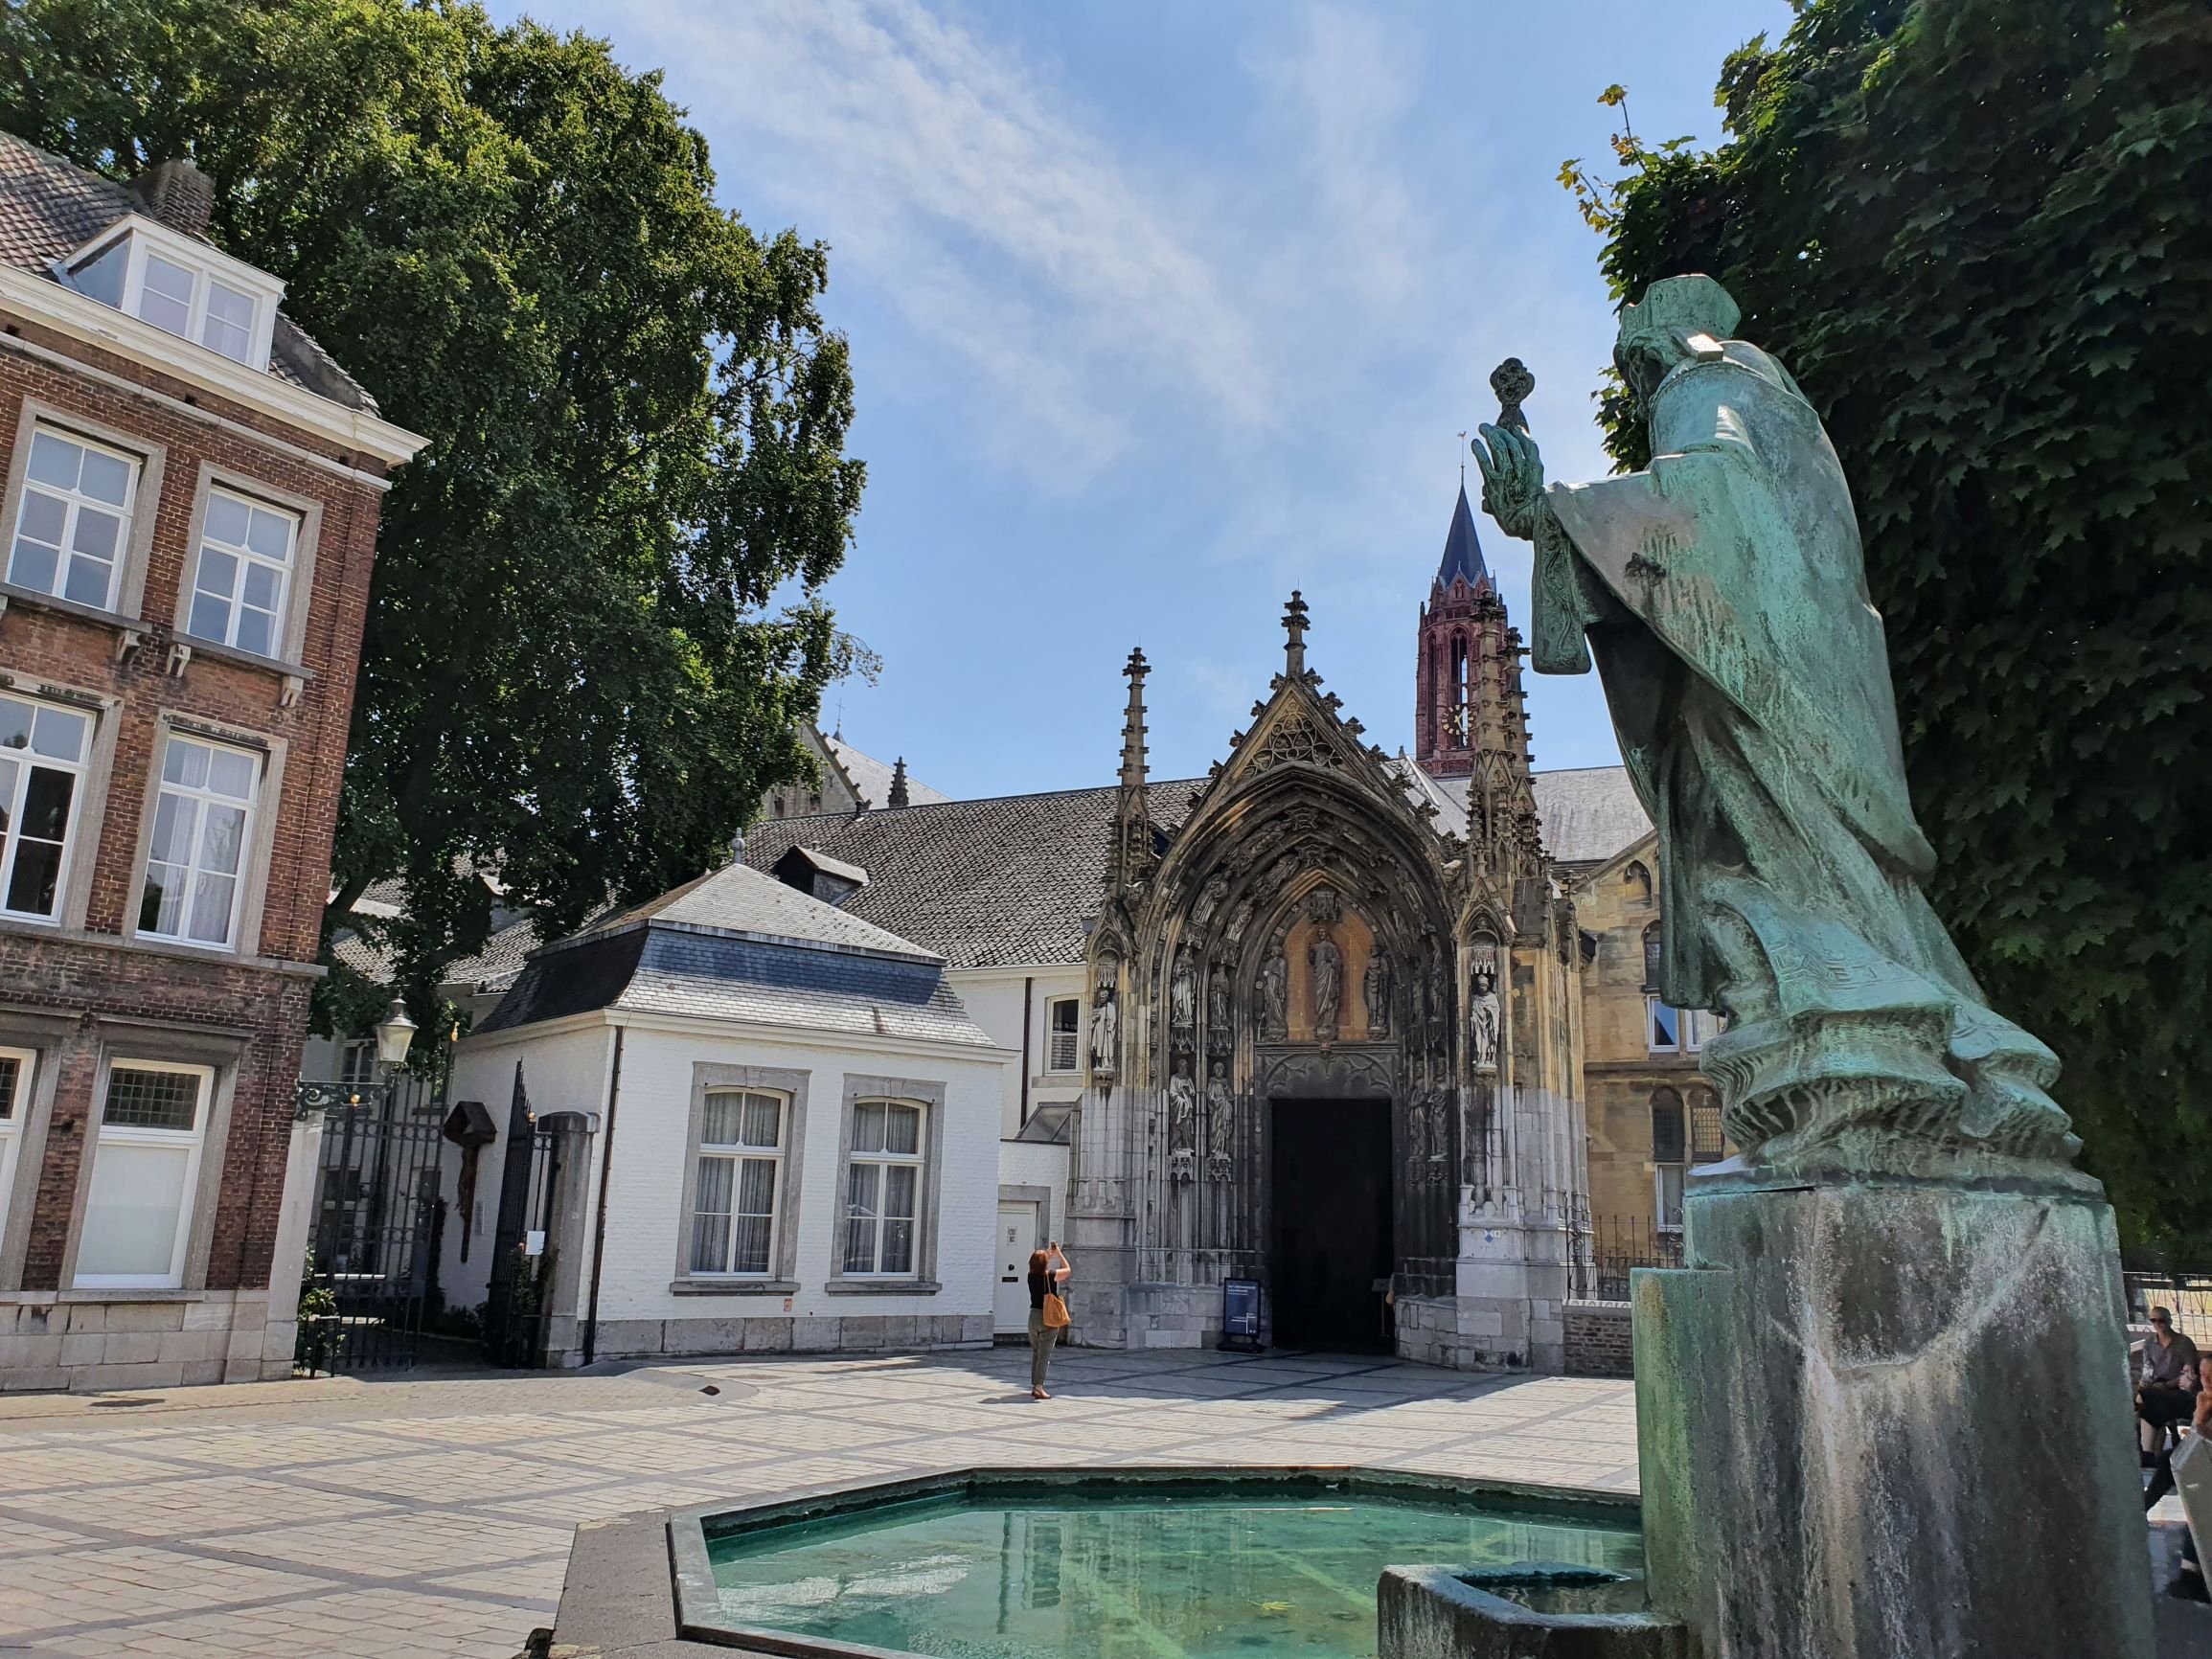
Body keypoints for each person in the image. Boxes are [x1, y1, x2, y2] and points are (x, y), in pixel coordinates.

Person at [2138, 1307, 2201, 1509]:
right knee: (2146, 1398)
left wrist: (2167, 1385)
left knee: (2154, 1399)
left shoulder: (2183, 1344)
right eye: (2153, 1321)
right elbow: (2147, 1371)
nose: (2158, 1325)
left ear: (2169, 1321)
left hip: (2177, 1389)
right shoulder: (2149, 1344)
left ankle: (2149, 1453)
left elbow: (2189, 1376)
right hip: (2159, 1389)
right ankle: (2148, 1453)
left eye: (2161, 1321)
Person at [1027, 1243, 1070, 1400]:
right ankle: (1039, 1387)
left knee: (1037, 1352)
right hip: (1048, 1317)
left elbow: (1039, 1265)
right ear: (1045, 1263)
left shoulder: (1030, 1276)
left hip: (1033, 1316)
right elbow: (1068, 1270)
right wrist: (1058, 1254)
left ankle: (1035, 1384)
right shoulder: (1051, 1275)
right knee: (1044, 1355)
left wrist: (1047, 1255)